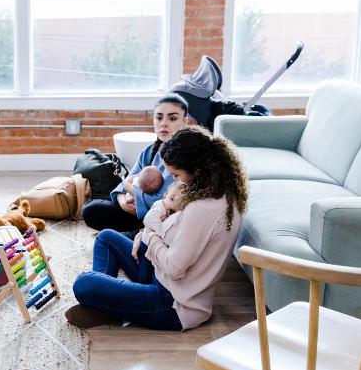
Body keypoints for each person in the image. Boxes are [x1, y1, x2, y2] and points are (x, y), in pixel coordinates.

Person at [65, 126, 249, 331]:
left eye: (177, 174)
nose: (176, 180)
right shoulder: (218, 193)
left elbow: (174, 268)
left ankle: (106, 304)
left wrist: (150, 237)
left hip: (173, 304)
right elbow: (180, 236)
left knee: (84, 283)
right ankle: (107, 305)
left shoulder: (202, 210)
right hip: (157, 274)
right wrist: (144, 235)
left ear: (197, 170)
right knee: (106, 237)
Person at [81, 94, 189, 232]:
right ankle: (136, 231)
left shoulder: (185, 155)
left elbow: (162, 199)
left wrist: (132, 191)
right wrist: (122, 201)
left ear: (185, 121)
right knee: (91, 207)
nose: (164, 123)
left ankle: (141, 233)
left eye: (172, 118)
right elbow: (125, 182)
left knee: (94, 209)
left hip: (162, 216)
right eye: (159, 117)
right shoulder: (148, 151)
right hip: (133, 208)